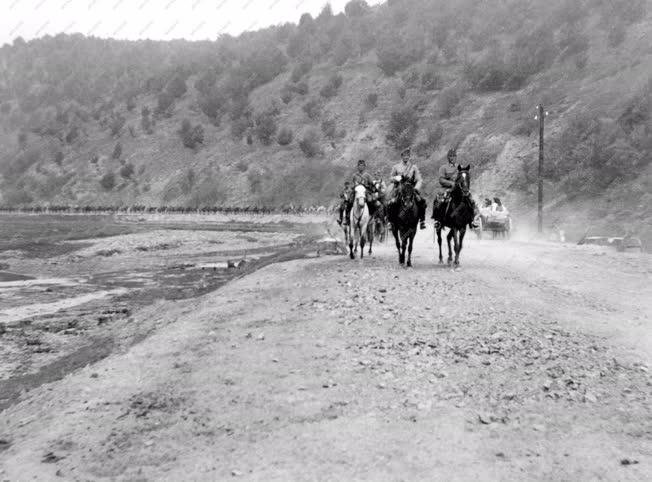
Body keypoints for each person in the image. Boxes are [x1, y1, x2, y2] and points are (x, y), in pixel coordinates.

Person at [432, 148, 478, 228]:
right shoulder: (443, 168)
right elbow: (441, 179)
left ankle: (473, 219)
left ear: (456, 157)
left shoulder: (460, 167)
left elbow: (465, 177)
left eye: (454, 156)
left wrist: (465, 185)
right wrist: (451, 183)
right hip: (446, 188)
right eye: (450, 156)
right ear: (448, 157)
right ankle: (438, 219)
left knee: (471, 199)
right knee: (439, 200)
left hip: (459, 188)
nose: (452, 158)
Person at [389, 147, 427, 230]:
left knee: (421, 201)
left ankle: (422, 221)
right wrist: (398, 177)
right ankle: (391, 222)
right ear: (401, 156)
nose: (406, 157)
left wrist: (416, 188)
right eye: (404, 156)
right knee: (391, 203)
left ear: (409, 157)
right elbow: (391, 178)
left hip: (411, 189)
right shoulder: (396, 167)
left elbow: (419, 179)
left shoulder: (413, 167)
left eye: (408, 156)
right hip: (399, 188)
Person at [341, 159, 376, 225]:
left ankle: (371, 216)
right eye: (359, 166)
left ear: (364, 167)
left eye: (362, 166)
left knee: (371, 200)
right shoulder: (355, 175)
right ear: (357, 167)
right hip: (356, 192)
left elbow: (371, 184)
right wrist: (354, 186)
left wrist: (367, 185)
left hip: (365, 191)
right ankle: (347, 218)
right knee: (349, 201)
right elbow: (351, 185)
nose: (361, 167)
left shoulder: (367, 175)